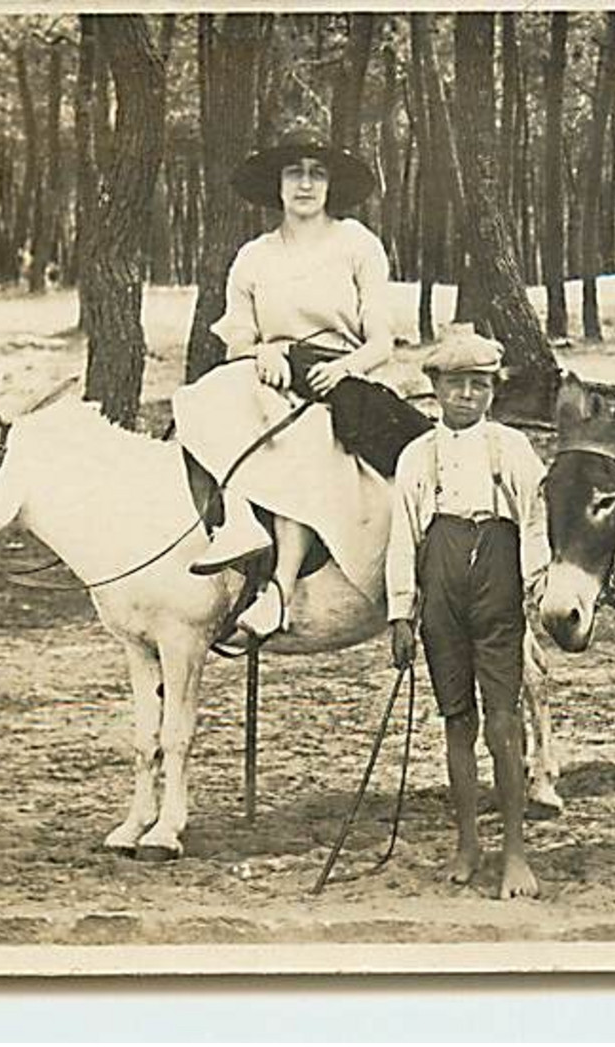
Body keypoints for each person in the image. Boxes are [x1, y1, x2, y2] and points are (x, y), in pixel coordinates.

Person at [174, 125, 429, 640]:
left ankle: (280, 591)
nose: (306, 185)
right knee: (203, 401)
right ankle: (236, 525)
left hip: (339, 376)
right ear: (278, 184)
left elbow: (381, 341)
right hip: (267, 371)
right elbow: (236, 340)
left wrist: (346, 367)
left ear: (331, 186)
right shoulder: (255, 256)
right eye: (295, 173)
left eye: (317, 174)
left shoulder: (357, 244)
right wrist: (264, 350)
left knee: (307, 432)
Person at [385, 324, 548, 900]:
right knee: (458, 719)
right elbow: (402, 538)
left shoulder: (512, 448)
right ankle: (467, 844)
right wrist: (401, 614)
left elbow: (534, 522)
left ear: (493, 391)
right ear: (435, 387)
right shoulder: (417, 457)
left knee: (503, 722)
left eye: (480, 385)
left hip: (499, 580)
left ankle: (516, 853)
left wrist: (534, 586)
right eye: (456, 384)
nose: (468, 396)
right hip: (442, 584)